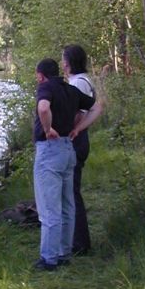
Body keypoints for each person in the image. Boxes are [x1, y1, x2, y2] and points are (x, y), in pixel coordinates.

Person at [32, 58, 103, 271]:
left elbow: (43, 108)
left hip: (49, 150)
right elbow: (98, 107)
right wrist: (79, 128)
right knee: (67, 205)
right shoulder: (70, 90)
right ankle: (64, 253)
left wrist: (47, 129)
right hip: (68, 149)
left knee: (49, 207)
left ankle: (49, 259)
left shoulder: (45, 88)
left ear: (41, 75)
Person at [62, 44, 97, 256]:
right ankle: (74, 239)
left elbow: (79, 114)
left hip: (77, 140)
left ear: (70, 61)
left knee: (72, 191)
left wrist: (67, 126)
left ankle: (80, 243)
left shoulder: (80, 84)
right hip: (76, 139)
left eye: (63, 59)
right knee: (69, 190)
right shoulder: (76, 82)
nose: (62, 63)